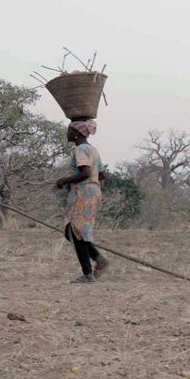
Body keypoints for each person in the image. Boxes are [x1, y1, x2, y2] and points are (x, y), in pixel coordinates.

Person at [55, 119, 107, 283]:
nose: (67, 134)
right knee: (78, 231)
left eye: (69, 131)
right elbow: (102, 174)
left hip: (83, 193)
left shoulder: (80, 149)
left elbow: (85, 172)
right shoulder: (93, 150)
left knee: (75, 231)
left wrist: (65, 180)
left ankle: (88, 273)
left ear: (77, 134)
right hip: (93, 191)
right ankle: (97, 259)